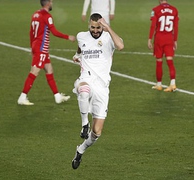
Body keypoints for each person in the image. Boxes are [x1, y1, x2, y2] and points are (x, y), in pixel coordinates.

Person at [71, 13, 124, 169]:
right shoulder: (81, 36)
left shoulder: (108, 38)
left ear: (102, 26)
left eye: (98, 27)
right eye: (92, 27)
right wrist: (78, 55)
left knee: (97, 132)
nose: (95, 30)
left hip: (102, 87)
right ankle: (84, 124)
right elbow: (80, 46)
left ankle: (80, 150)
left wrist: (108, 28)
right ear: (89, 25)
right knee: (84, 90)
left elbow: (121, 46)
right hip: (86, 78)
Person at [17, 0, 76, 105]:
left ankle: (57, 96)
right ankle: (22, 96)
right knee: (34, 71)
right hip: (41, 48)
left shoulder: (35, 14)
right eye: (51, 1)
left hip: (37, 45)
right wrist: (68, 37)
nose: (52, 3)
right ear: (48, 3)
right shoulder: (47, 16)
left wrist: (32, 47)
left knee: (49, 70)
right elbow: (54, 32)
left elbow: (31, 32)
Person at [148, 0, 179, 92]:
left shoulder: (156, 10)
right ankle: (172, 84)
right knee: (170, 61)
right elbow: (176, 26)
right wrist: (175, 40)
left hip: (159, 38)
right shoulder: (174, 10)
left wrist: (149, 39)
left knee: (159, 61)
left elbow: (153, 25)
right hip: (169, 38)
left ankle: (159, 84)